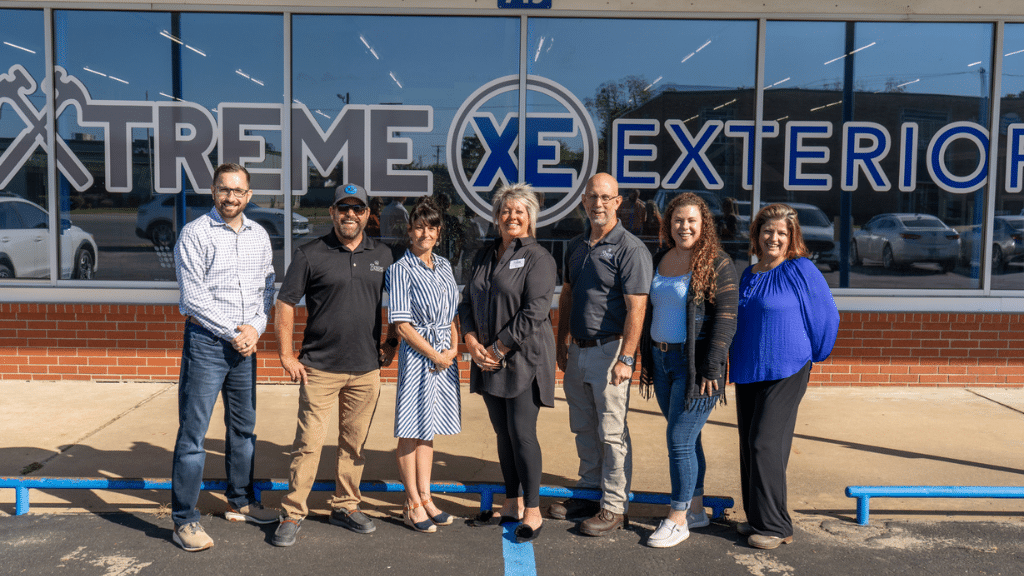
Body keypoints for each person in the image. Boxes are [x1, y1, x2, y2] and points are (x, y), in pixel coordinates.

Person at [271, 183, 397, 547]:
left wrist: (391, 341)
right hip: (319, 367)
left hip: (366, 368)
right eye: (343, 209)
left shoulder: (384, 255)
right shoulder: (311, 253)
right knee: (309, 444)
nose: (350, 215)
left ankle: (345, 505)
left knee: (354, 444)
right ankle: (293, 512)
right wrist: (285, 353)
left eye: (357, 209)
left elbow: (400, 300)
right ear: (332, 213)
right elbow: (285, 303)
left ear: (367, 215)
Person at [171, 162, 278, 552]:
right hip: (207, 344)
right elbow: (193, 297)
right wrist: (236, 332)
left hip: (245, 345)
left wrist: (255, 329)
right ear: (212, 191)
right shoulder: (195, 234)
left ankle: (241, 501)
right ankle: (184, 519)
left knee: (243, 430)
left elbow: (267, 288)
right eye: (223, 189)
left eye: (238, 190)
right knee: (194, 434)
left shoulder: (259, 236)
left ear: (248, 195)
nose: (231, 197)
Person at [730, 203, 839, 550]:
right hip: (749, 369)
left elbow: (826, 317)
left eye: (781, 233)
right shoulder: (750, 273)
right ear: (757, 235)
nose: (773, 237)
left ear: (792, 238)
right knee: (750, 444)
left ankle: (778, 526)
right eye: (767, 231)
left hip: (787, 368)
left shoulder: (801, 270)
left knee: (765, 443)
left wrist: (813, 355)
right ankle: (759, 517)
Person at [552, 172, 653, 536]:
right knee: (583, 426)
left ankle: (613, 505)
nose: (598, 203)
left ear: (617, 202)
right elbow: (566, 295)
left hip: (610, 352)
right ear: (583, 201)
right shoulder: (577, 245)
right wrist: (562, 339)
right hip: (577, 352)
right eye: (592, 197)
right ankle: (589, 491)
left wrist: (627, 357)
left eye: (605, 197)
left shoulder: (630, 248)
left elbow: (636, 307)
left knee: (611, 432)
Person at [637, 193, 738, 548]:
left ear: (703, 224)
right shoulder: (659, 258)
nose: (685, 227)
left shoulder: (717, 263)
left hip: (696, 368)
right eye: (678, 220)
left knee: (678, 440)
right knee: (687, 439)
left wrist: (712, 367)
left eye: (692, 220)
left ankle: (677, 517)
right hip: (661, 362)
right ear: (669, 223)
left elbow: (725, 320)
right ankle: (695, 508)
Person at [458, 183, 557, 544]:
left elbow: (535, 311)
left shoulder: (539, 258)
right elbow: (466, 302)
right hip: (485, 358)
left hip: (522, 359)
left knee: (522, 433)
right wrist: (471, 341)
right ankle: (511, 503)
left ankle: (533, 510)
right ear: (496, 216)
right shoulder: (484, 256)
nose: (512, 217)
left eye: (520, 211)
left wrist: (498, 349)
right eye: (505, 211)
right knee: (503, 434)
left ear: (530, 217)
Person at [385, 197, 461, 534]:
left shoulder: (444, 266)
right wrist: (435, 354)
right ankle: (412, 501)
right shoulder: (399, 270)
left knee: (428, 430)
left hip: (445, 357)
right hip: (420, 359)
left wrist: (454, 347)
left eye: (431, 227)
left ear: (439, 232)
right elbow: (401, 325)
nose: (425, 233)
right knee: (410, 430)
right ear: (409, 231)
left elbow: (451, 314)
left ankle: (427, 497)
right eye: (419, 227)